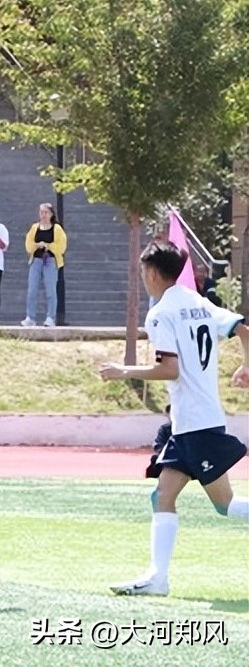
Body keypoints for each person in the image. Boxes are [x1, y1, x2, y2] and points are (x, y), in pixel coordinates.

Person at [100, 240, 249, 597]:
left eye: (142, 272)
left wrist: (123, 371)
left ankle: (157, 577)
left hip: (197, 424)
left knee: (225, 506)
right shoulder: (200, 302)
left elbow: (169, 369)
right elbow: (243, 328)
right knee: (162, 496)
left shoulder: (161, 313)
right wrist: (245, 365)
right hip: (191, 423)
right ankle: (157, 578)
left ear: (151, 272)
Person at [21, 203, 67, 327]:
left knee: (51, 290)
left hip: (50, 261)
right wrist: (36, 245)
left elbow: (61, 246)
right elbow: (28, 244)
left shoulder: (57, 228)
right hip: (36, 260)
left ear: (51, 214)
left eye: (46, 212)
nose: (43, 215)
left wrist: (48, 246)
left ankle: (50, 317)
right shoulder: (35, 227)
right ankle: (30, 317)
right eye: (41, 212)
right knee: (32, 290)